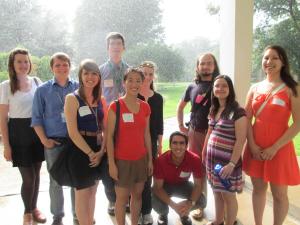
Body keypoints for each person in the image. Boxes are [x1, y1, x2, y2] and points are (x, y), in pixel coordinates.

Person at [243, 45, 300, 225]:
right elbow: (246, 119)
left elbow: (297, 123)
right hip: (256, 146)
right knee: (258, 189)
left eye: (275, 58)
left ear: (283, 62)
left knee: (279, 194)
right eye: (266, 58)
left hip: (280, 148)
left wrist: (275, 147)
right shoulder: (255, 88)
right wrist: (251, 145)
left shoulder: (292, 88)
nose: (269, 62)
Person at [31, 52, 78, 225]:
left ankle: (77, 213)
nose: (62, 67)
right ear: (52, 68)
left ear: (69, 66)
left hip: (76, 142)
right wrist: (44, 140)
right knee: (55, 180)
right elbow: (36, 118)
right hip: (54, 142)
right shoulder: (42, 90)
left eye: (65, 64)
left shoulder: (78, 87)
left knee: (76, 178)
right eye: (57, 65)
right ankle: (58, 215)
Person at [0, 48, 46, 225]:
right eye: (19, 61)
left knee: (36, 174)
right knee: (28, 178)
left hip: (37, 131)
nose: (23, 65)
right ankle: (27, 212)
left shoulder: (36, 81)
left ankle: (34, 208)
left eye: (26, 61)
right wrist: (6, 146)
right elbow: (3, 119)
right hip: (18, 134)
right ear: (12, 64)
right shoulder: (5, 86)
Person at [106, 67, 153, 225]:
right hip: (122, 161)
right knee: (121, 199)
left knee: (137, 196)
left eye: (138, 81)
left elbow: (146, 134)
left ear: (142, 83)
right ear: (124, 83)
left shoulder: (145, 107)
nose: (134, 84)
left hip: (140, 159)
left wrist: (150, 160)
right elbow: (109, 137)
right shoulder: (115, 106)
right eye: (130, 80)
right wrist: (111, 163)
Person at [176, 53, 220, 220]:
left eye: (209, 63)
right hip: (195, 134)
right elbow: (180, 108)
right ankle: (201, 205)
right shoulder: (192, 87)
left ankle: (222, 210)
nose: (206, 66)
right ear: (197, 67)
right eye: (202, 63)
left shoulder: (220, 85)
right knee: (199, 171)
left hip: (215, 137)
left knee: (216, 171)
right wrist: (181, 126)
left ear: (214, 66)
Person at [64, 59, 107, 225]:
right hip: (80, 150)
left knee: (93, 192)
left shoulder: (100, 99)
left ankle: (89, 221)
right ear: (80, 76)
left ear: (99, 77)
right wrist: (90, 154)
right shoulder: (72, 98)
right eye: (86, 73)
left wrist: (101, 151)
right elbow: (73, 133)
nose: (90, 77)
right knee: (82, 192)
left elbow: (106, 129)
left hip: (98, 148)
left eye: (94, 73)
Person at [202, 75, 247, 225]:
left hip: (228, 164)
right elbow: (209, 132)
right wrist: (204, 153)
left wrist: (232, 164)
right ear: (213, 90)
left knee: (228, 196)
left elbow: (241, 140)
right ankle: (218, 221)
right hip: (212, 161)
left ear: (230, 89)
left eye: (224, 86)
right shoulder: (214, 109)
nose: (220, 89)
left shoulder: (238, 111)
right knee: (216, 192)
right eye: (217, 86)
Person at [99, 32, 129, 215]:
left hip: (127, 122)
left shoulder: (130, 71)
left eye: (119, 44)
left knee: (125, 160)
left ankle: (125, 198)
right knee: (109, 160)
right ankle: (112, 200)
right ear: (108, 48)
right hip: (107, 122)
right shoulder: (100, 71)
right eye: (112, 44)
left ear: (123, 47)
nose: (116, 47)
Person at [152, 131, 203, 225]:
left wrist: (189, 204)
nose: (178, 147)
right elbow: (157, 188)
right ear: (170, 145)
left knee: (202, 200)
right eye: (175, 143)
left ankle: (184, 214)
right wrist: (174, 206)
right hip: (165, 186)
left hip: (183, 185)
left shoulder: (195, 159)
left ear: (186, 146)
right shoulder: (160, 161)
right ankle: (163, 214)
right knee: (153, 197)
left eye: (182, 143)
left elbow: (198, 185)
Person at [137, 61, 164, 225]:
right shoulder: (132, 95)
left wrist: (160, 145)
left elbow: (159, 123)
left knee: (148, 177)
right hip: (134, 142)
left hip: (151, 143)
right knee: (136, 178)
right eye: (144, 74)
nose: (147, 77)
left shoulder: (157, 98)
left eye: (150, 74)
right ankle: (135, 208)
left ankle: (146, 212)